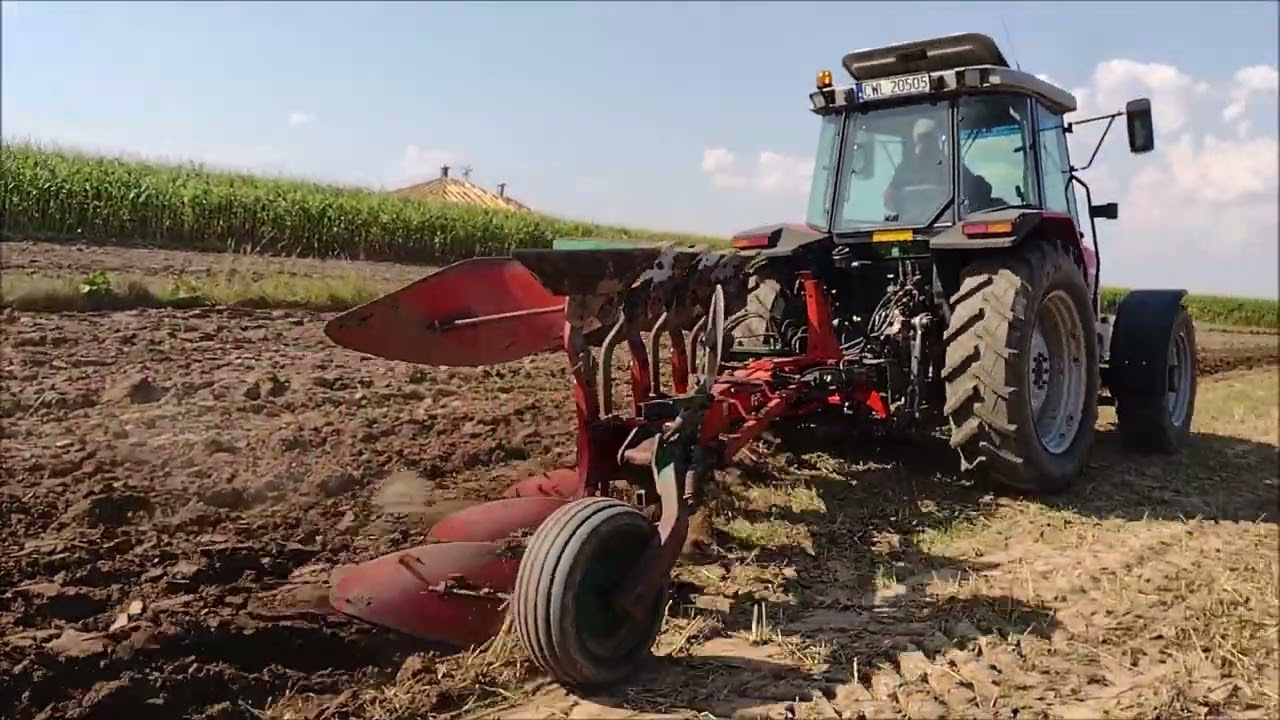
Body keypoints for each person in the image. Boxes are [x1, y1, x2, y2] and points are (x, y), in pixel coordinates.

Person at [884, 117, 992, 217]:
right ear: (916, 140)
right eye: (922, 138)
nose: (926, 142)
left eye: (930, 137)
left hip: (948, 225)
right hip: (912, 226)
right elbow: (889, 199)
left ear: (937, 140)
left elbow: (979, 189)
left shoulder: (952, 166)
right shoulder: (904, 169)